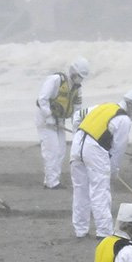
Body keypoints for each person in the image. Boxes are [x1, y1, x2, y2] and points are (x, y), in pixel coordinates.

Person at [69, 89, 132, 238]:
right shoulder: (124, 120)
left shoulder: (103, 106)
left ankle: (80, 230)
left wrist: (77, 135)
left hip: (77, 145)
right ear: (130, 105)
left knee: (80, 190)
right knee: (100, 192)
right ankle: (104, 232)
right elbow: (118, 149)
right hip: (95, 150)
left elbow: (78, 116)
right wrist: (113, 170)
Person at [34, 57, 89, 189]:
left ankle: (51, 180)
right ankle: (52, 183)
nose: (80, 79)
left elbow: (77, 110)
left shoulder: (77, 89)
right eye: (79, 76)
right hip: (45, 118)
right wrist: (48, 116)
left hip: (60, 120)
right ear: (73, 72)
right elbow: (42, 99)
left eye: (82, 77)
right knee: (51, 149)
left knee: (61, 150)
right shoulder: (55, 80)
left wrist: (78, 128)